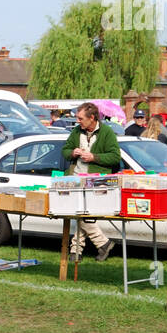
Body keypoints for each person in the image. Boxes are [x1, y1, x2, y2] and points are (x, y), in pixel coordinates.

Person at [59, 102, 120, 262]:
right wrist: (73, 152)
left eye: (80, 118)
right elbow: (64, 151)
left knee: (82, 214)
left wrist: (94, 157)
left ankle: (80, 249)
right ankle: (93, 246)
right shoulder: (76, 132)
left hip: (96, 181)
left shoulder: (107, 133)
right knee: (79, 213)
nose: (78, 121)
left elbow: (115, 156)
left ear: (92, 117)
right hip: (76, 179)